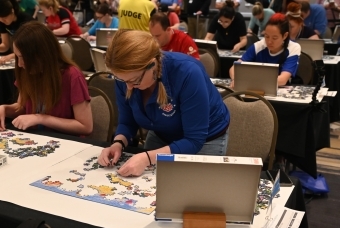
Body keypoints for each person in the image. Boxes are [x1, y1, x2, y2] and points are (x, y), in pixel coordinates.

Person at [98, 30, 230, 177]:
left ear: (152, 65)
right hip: (162, 133)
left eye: (134, 80)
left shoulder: (188, 73)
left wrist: (147, 158)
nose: (128, 86)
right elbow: (127, 122)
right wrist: (118, 144)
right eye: (123, 80)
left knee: (190, 191)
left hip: (205, 139)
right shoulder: (126, 76)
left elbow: (193, 140)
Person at [0, 21, 93, 135]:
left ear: (42, 55)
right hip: (35, 139)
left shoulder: (72, 76)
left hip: (66, 143)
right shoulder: (28, 72)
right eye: (17, 57)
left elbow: (85, 126)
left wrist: (41, 118)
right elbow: (23, 108)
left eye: (23, 58)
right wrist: (5, 109)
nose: (19, 64)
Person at [229, 13, 301, 87]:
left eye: (274, 38)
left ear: (285, 36)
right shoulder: (259, 45)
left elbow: (282, 80)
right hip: (256, 89)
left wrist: (250, 81)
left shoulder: (293, 48)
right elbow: (234, 68)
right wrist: (236, 79)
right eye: (266, 36)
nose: (269, 41)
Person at [0, 0, 33, 64]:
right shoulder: (2, 22)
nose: (2, 21)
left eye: (4, 18)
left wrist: (11, 56)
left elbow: (29, 48)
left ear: (12, 11)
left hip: (31, 54)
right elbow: (5, 45)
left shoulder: (27, 22)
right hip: (20, 54)